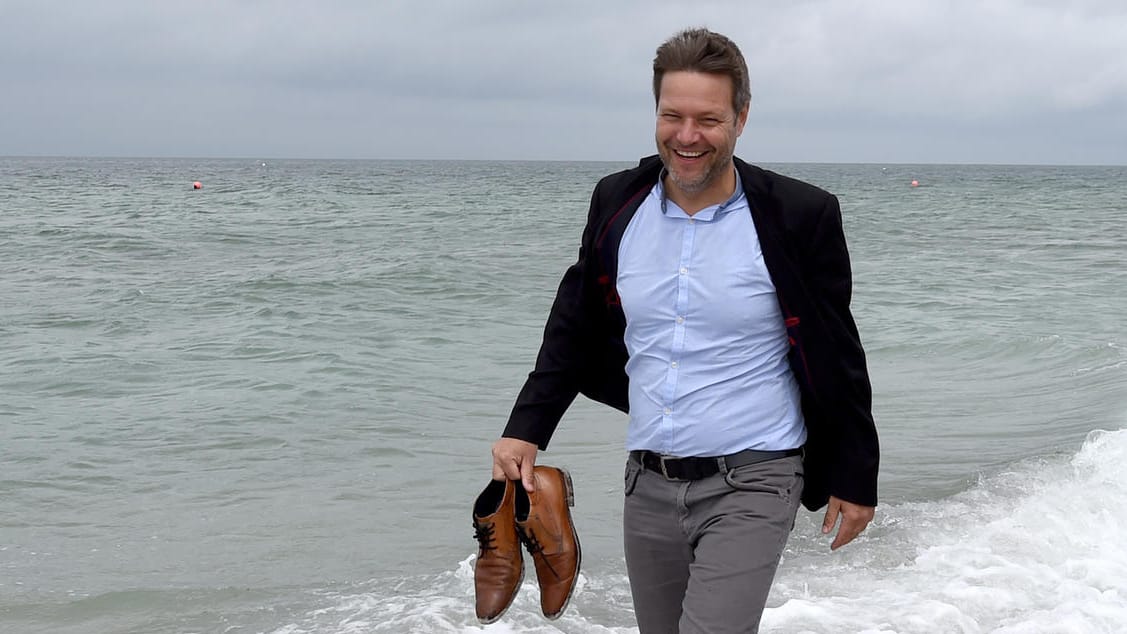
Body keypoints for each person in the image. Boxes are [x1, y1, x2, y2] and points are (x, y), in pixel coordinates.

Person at [491, 27, 879, 633]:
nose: (687, 136)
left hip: (756, 477)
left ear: (741, 119)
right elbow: (574, 321)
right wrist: (525, 430)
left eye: (708, 119)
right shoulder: (618, 201)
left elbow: (838, 352)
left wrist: (856, 475)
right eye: (673, 115)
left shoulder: (799, 215)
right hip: (647, 481)